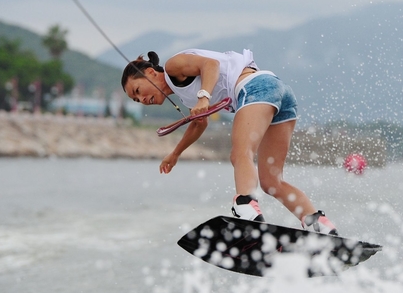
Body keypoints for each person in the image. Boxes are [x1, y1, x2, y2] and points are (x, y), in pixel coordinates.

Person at [121, 48, 338, 235]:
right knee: (272, 181)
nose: (141, 99)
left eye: (137, 90)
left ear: (150, 73)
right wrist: (175, 153)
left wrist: (204, 98)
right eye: (135, 99)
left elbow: (210, 65)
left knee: (241, 154)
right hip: (279, 93)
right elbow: (199, 124)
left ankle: (246, 206)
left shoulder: (172, 66)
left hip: (256, 88)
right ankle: (319, 223)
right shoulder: (185, 94)